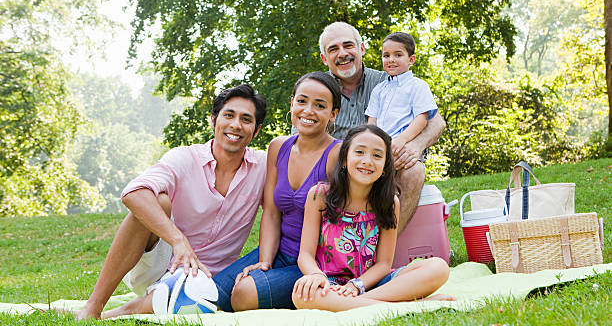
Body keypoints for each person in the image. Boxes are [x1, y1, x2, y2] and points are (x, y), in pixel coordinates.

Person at [74, 84, 268, 319]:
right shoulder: (185, 157)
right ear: (213, 120)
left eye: (246, 119)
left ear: (256, 130)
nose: (236, 125)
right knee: (157, 200)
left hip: (211, 279)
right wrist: (179, 241)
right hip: (162, 264)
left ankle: (120, 312)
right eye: (229, 115)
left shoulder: (264, 168)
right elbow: (133, 192)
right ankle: (92, 307)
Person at [212, 71, 342, 311]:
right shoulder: (278, 147)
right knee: (213, 294)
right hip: (280, 251)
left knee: (244, 295)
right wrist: (265, 262)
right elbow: (271, 213)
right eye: (302, 101)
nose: (308, 111)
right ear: (292, 104)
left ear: (333, 114)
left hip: (317, 264)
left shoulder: (338, 154)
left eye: (320, 105)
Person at [291, 125, 451, 311]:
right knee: (302, 296)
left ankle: (359, 303)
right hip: (330, 283)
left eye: (377, 155)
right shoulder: (319, 195)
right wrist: (316, 276)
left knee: (438, 267)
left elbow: (384, 264)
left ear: (384, 166)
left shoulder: (389, 202)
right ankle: (408, 306)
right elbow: (305, 255)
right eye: (359, 152)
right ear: (344, 160)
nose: (367, 161)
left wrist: (356, 286)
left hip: (373, 283)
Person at [318, 22, 446, 231]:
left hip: (384, 161)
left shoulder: (389, 80)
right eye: (333, 49)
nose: (342, 54)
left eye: (348, 45)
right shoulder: (319, 89)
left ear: (361, 49)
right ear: (324, 58)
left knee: (414, 170)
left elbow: (436, 121)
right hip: (338, 169)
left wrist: (416, 146)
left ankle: (388, 247)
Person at [365, 32, 438, 165]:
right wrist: (371, 141)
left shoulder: (418, 86)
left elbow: (421, 118)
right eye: (386, 55)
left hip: (403, 145)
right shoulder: (379, 89)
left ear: (411, 60)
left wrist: (401, 140)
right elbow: (372, 120)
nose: (391, 59)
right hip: (379, 146)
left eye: (398, 55)